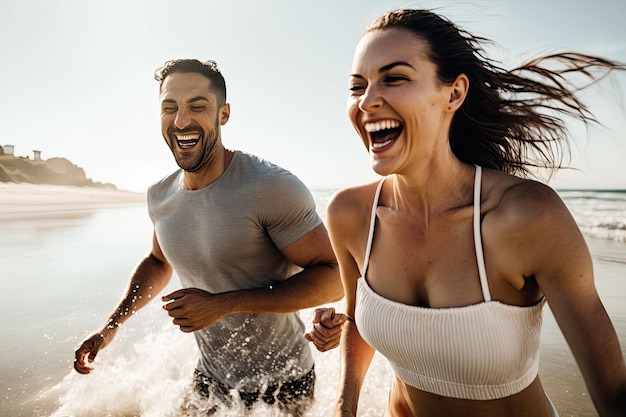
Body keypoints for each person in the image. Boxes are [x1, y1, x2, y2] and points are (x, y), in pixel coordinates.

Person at [305, 8, 626, 417]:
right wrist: (343, 407)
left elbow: (614, 394)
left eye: (395, 78)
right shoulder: (349, 214)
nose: (367, 101)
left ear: (453, 93)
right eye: (357, 86)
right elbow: (358, 320)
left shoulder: (527, 216)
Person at [73, 58, 344, 416]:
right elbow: (158, 261)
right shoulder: (160, 195)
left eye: (197, 106)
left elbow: (335, 277)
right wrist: (112, 325)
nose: (182, 120)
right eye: (170, 108)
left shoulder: (270, 187)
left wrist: (222, 304)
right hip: (210, 375)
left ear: (223, 114)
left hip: (283, 381)